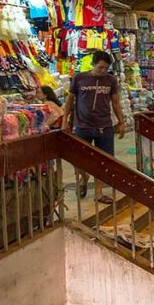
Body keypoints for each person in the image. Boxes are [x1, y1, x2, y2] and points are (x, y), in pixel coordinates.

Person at [63, 50, 126, 205]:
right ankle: (84, 178)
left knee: (103, 161)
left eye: (105, 68)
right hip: (82, 126)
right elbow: (70, 101)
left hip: (104, 126)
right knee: (78, 159)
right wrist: (65, 121)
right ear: (93, 65)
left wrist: (121, 122)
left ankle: (98, 193)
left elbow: (115, 102)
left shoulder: (110, 80)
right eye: (100, 68)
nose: (103, 71)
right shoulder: (79, 78)